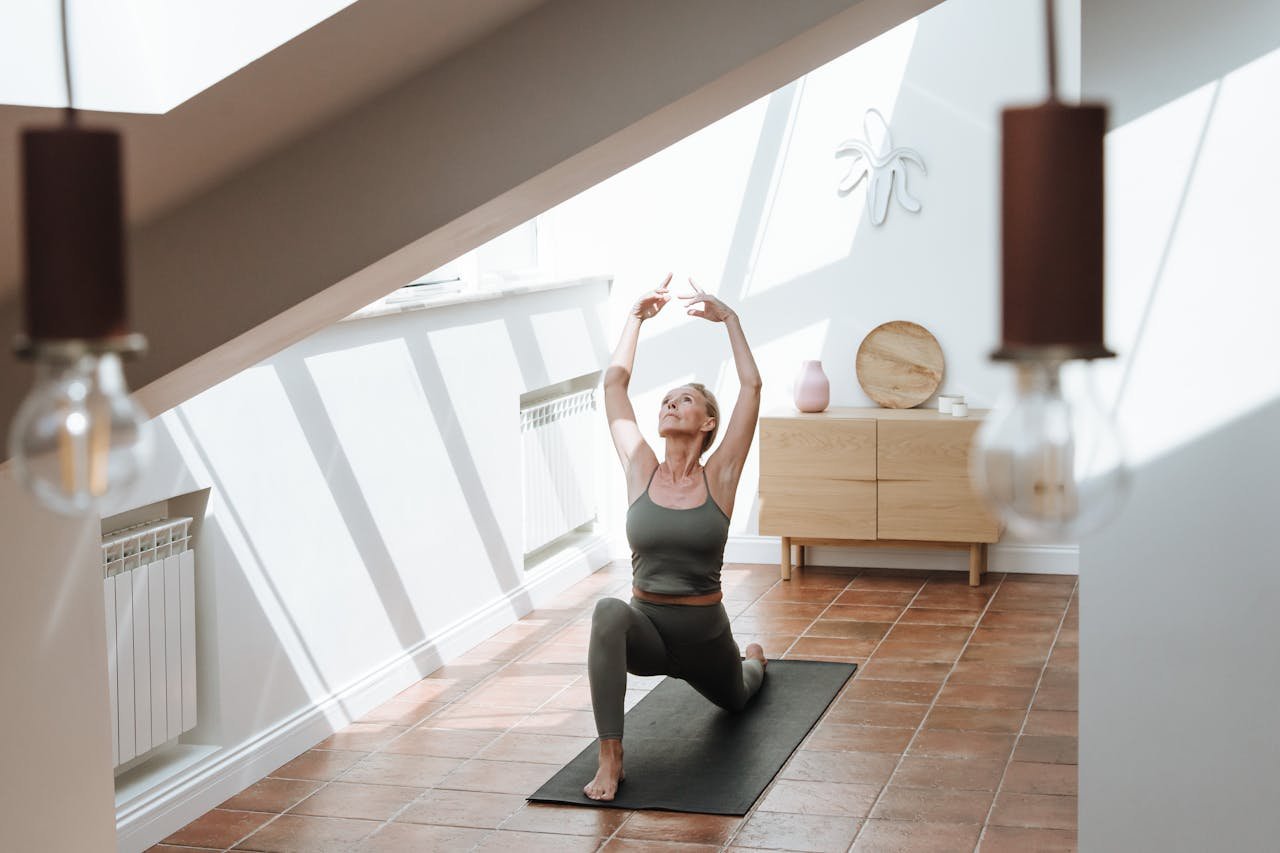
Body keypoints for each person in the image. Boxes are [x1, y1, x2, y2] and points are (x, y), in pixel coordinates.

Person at [584, 273, 767, 801]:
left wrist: (730, 320)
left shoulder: (721, 475)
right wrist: (634, 319)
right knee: (607, 612)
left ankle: (754, 660)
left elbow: (752, 388)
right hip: (647, 630)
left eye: (684, 400)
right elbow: (614, 387)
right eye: (667, 400)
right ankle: (611, 756)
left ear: (708, 422)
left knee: (741, 695)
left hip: (705, 639)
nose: (670, 404)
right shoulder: (640, 467)